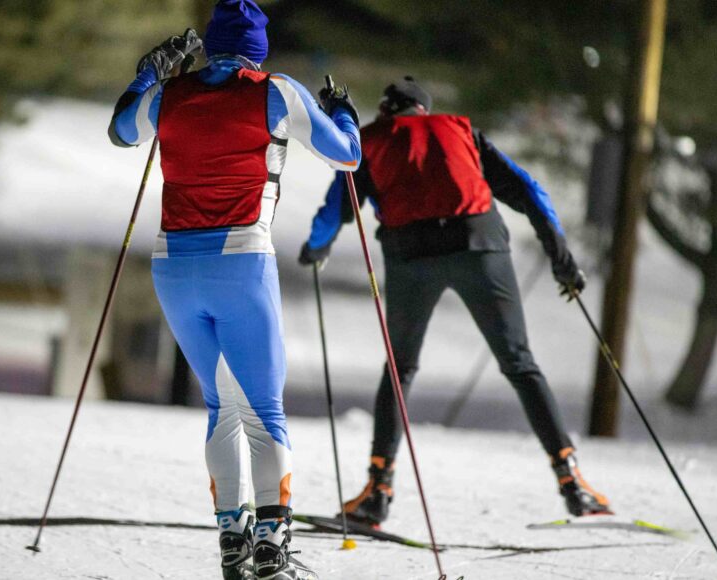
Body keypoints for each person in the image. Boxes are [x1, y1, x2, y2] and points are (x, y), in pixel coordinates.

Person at [108, 2, 361, 577]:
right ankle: (271, 537)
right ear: (258, 48)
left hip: (174, 266)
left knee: (222, 408)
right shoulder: (276, 91)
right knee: (264, 411)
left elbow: (121, 130)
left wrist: (150, 73)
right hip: (241, 262)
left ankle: (231, 534)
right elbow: (348, 155)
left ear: (212, 44)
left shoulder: (172, 94)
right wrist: (342, 110)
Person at [298, 76, 611, 528]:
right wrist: (561, 258)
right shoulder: (462, 131)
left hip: (411, 255)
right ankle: (572, 480)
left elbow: (336, 208)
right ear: (425, 111)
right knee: (519, 362)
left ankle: (378, 491)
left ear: (387, 111)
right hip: (479, 244)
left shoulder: (372, 140)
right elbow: (528, 191)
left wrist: (316, 248)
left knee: (400, 368)